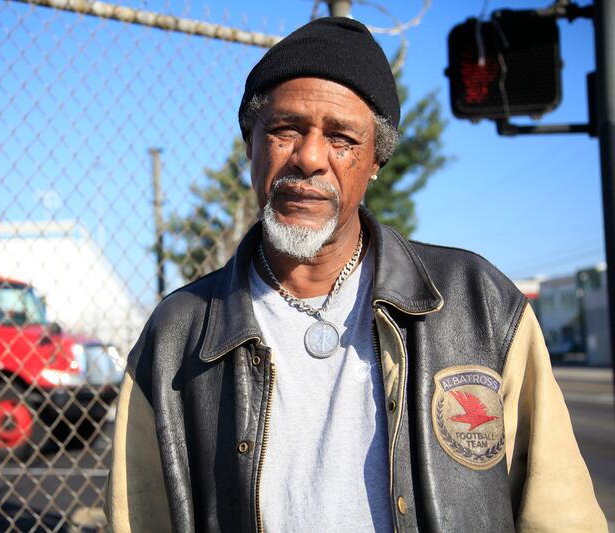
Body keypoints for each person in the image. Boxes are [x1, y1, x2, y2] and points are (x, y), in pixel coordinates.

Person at [105, 17, 606, 532]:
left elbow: (560, 513)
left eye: (342, 138)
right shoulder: (175, 337)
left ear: (374, 162)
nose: (310, 158)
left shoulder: (479, 305)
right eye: (286, 130)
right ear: (249, 143)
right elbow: (137, 517)